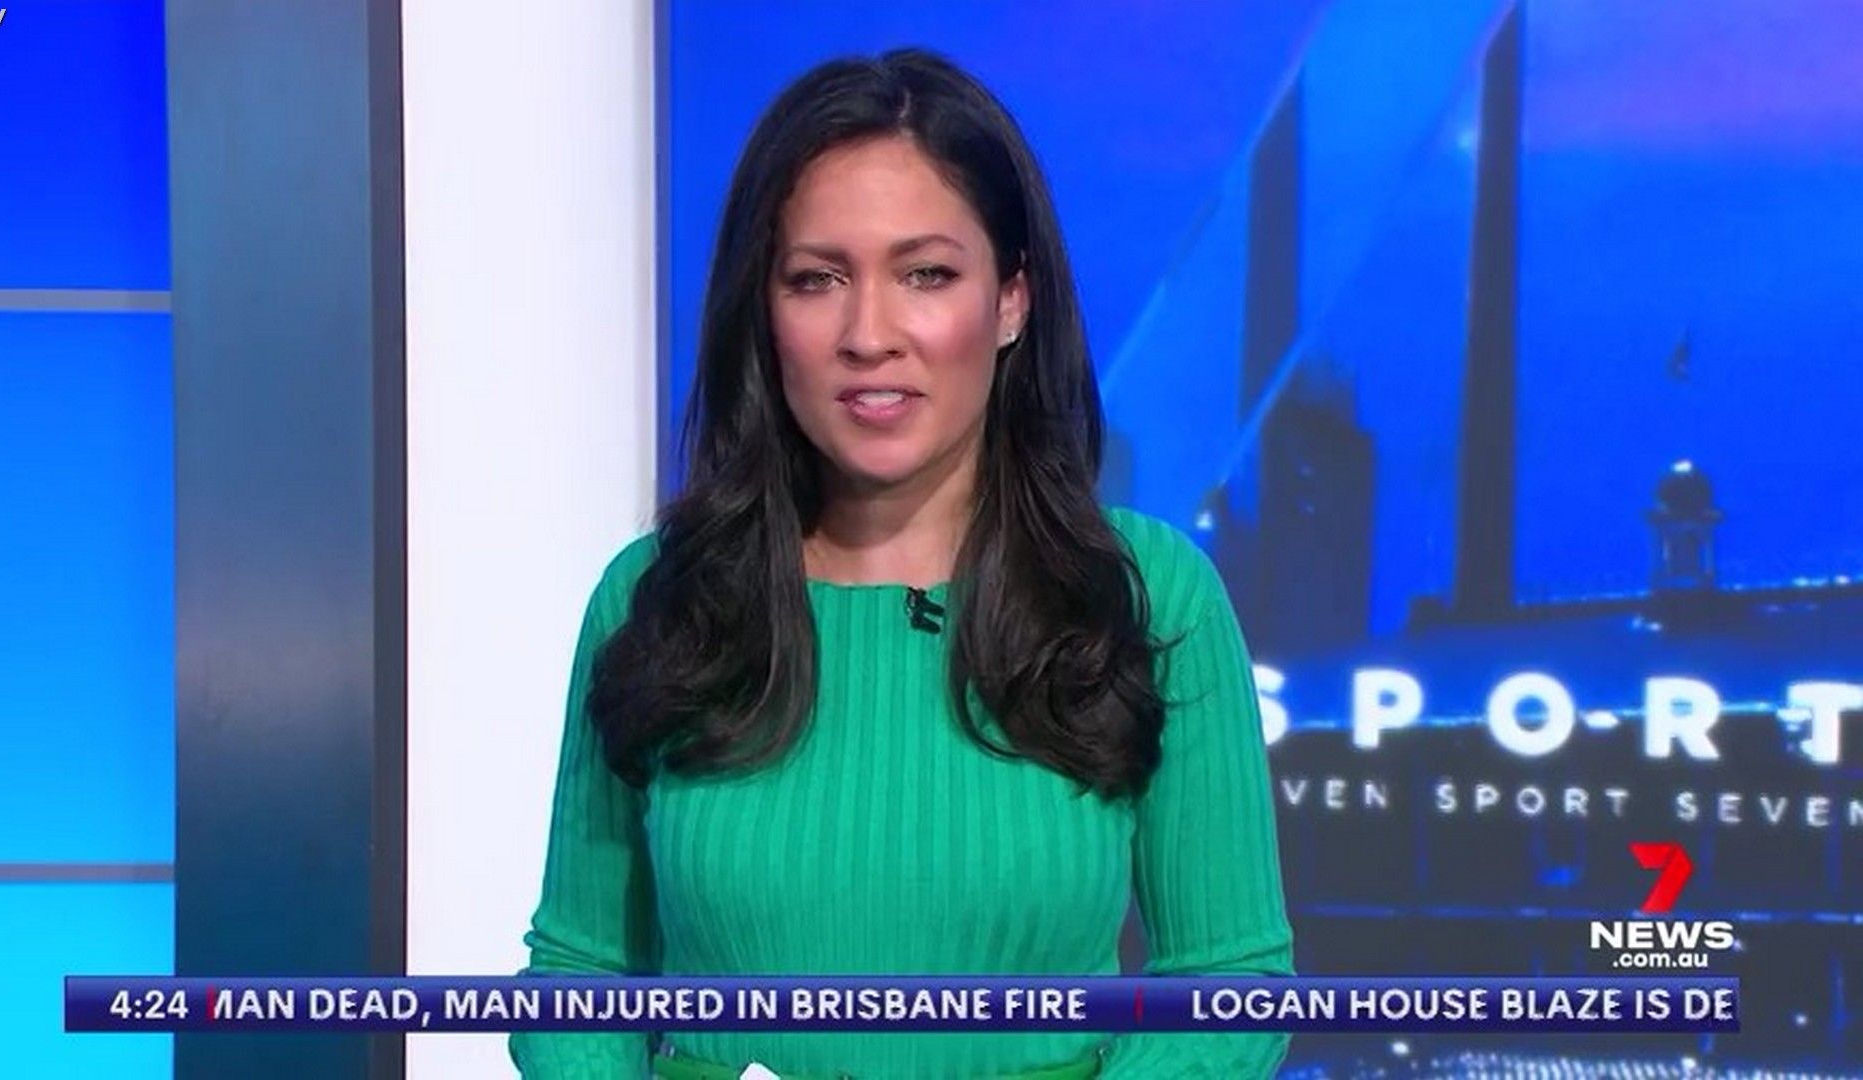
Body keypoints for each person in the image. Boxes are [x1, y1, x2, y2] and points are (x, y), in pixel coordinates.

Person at [510, 47, 1292, 1079]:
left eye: (927, 275)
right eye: (817, 279)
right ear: (764, 310)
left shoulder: (1148, 597)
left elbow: (1230, 990)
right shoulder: (657, 598)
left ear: (1011, 301)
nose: (869, 334)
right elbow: (577, 976)